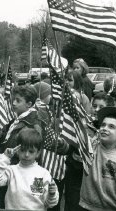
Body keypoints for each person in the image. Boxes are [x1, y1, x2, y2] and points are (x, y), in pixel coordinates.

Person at [0, 128, 59, 210]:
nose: (26, 155)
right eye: (22, 150)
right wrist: (5, 158)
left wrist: (51, 194)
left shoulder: (42, 174)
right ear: (17, 150)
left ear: (38, 153)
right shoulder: (12, 171)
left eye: (31, 151)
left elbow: (49, 203)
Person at [79, 106, 116, 210]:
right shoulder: (91, 147)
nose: (105, 128)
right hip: (85, 206)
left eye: (111, 126)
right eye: (103, 125)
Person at [34, 81, 68, 211]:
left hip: (55, 165)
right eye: (49, 94)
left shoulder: (53, 110)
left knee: (53, 196)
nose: (52, 96)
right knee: (37, 195)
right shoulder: (40, 111)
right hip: (40, 163)